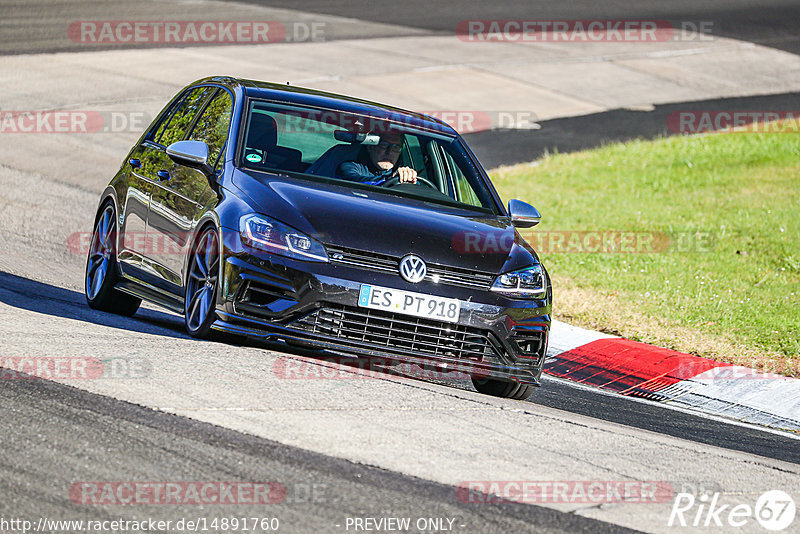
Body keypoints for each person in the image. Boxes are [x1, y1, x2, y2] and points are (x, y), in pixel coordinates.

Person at [336, 131, 417, 186]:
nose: (390, 152)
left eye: (396, 147)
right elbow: (353, 181)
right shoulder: (349, 167)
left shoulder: (401, 175)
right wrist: (391, 179)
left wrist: (411, 179)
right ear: (370, 147)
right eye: (384, 145)